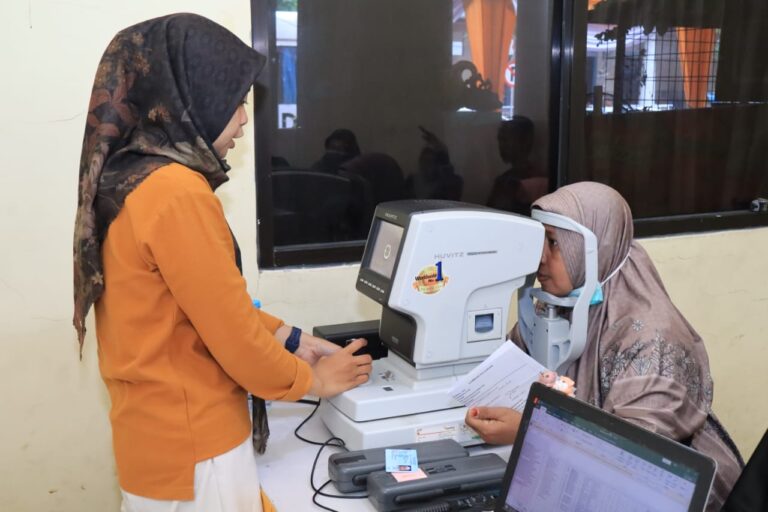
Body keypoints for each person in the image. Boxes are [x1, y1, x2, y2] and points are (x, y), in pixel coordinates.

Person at [72, 14, 372, 512]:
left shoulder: (133, 180)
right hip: (195, 450)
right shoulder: (176, 192)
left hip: (156, 440)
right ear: (195, 96)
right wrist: (315, 382)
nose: (244, 120)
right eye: (236, 101)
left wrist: (291, 339)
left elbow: (194, 309)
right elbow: (233, 335)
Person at [465, 182, 743, 511]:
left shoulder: (653, 340)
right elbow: (509, 371)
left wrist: (528, 430)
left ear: (595, 248)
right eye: (538, 240)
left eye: (553, 242)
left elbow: (630, 462)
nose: (539, 258)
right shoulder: (560, 306)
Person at [486, 116, 548, 215]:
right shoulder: (504, 179)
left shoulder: (536, 181)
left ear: (524, 141)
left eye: (506, 139)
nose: (501, 145)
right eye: (500, 139)